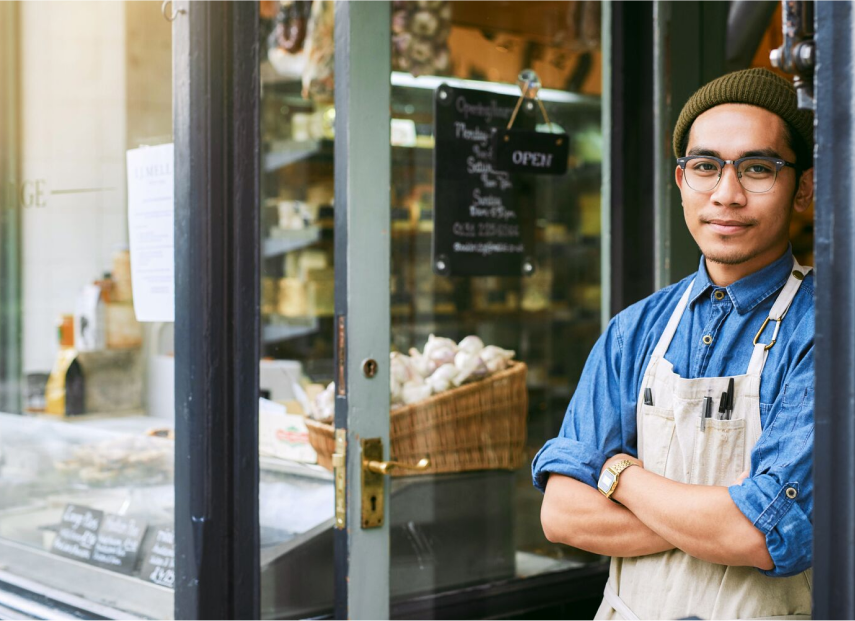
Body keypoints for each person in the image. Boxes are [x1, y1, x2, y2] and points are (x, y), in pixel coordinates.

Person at [533, 68, 815, 620]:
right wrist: (719, 520)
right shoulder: (632, 330)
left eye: (758, 168)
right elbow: (563, 514)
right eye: (706, 167)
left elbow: (766, 534)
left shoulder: (824, 327)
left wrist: (620, 475)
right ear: (682, 182)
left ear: (802, 188)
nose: (726, 194)